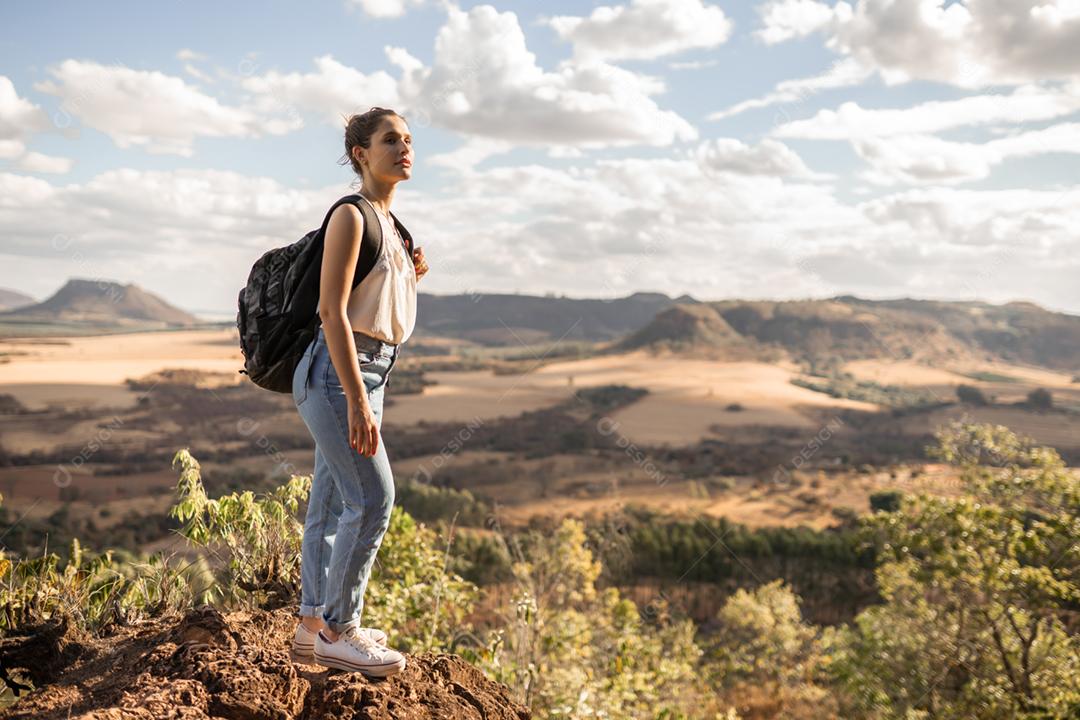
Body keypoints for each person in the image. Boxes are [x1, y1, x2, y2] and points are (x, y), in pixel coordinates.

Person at [288, 106, 429, 677]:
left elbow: (377, 305)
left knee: (328, 503)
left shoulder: (392, 228)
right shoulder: (351, 216)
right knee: (373, 499)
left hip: (372, 372)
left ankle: (308, 627)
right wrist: (353, 398)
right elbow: (331, 312)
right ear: (360, 154)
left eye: (409, 140)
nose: (404, 148)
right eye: (389, 139)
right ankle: (341, 630)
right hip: (337, 374)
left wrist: (406, 269)